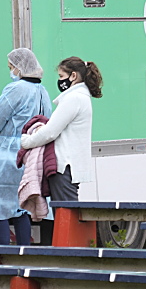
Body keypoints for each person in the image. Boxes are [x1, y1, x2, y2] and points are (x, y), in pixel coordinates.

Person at [0, 48, 50, 246]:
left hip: (6, 154)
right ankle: (23, 254)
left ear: (19, 68)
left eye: (11, 67)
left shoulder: (15, 90)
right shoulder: (42, 91)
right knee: (22, 205)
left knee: (0, 208)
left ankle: (3, 255)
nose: (10, 71)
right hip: (30, 155)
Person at [20, 56, 102, 206]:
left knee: (66, 216)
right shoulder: (81, 97)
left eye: (61, 76)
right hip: (70, 167)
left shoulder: (73, 98)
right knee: (68, 214)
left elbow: (50, 132)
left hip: (64, 167)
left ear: (74, 76)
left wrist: (26, 141)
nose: (59, 80)